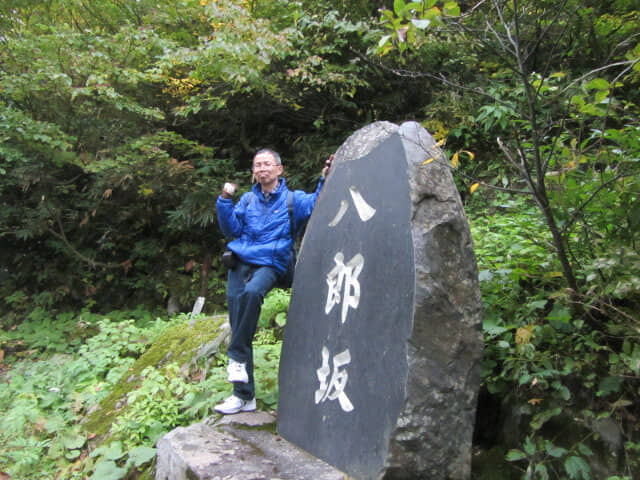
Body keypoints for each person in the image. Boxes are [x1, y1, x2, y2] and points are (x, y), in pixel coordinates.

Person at [214, 148, 333, 414]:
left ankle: (234, 357)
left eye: (267, 164)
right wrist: (224, 200)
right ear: (254, 172)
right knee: (238, 322)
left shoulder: (293, 200)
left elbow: (319, 203)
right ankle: (244, 397)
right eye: (257, 165)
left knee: (253, 293)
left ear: (279, 169)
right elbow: (231, 230)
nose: (262, 168)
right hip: (240, 262)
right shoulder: (246, 200)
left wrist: (325, 176)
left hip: (272, 262)